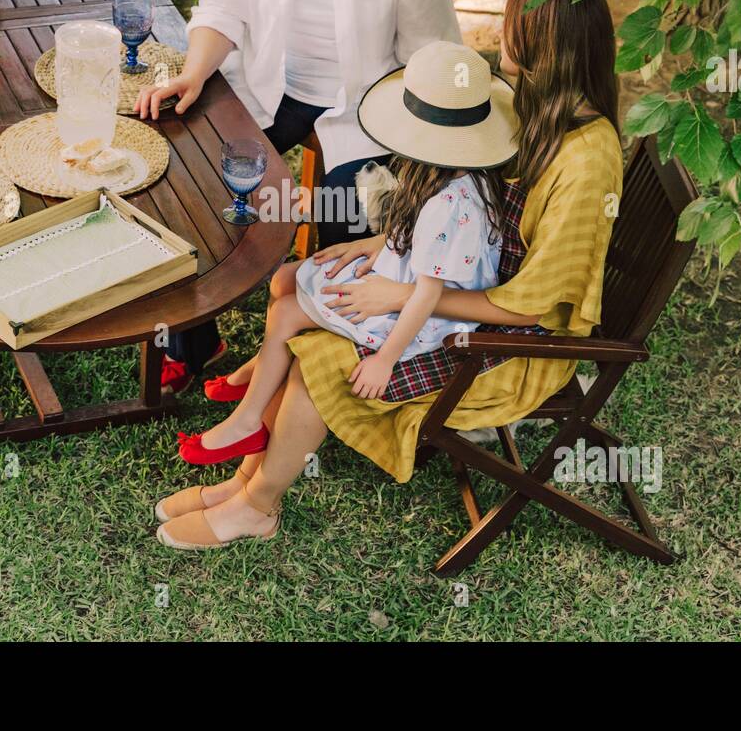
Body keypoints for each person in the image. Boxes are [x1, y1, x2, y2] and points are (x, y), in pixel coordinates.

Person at [151, 0, 624, 551]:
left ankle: (256, 507)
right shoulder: (540, 111)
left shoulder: (587, 160)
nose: (501, 38)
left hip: (514, 342)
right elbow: (461, 210)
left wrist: (399, 295)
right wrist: (383, 246)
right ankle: (243, 481)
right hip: (462, 290)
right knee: (310, 315)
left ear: (543, 49)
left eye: (512, 27)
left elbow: (531, 303)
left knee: (317, 360)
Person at [134, 0, 461, 396]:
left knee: (346, 211)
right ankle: (194, 341)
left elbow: (426, 59)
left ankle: (308, 365)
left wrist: (421, 158)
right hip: (267, 81)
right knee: (197, 174)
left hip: (367, 103)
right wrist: (194, 71)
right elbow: (225, 4)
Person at [173, 41, 515, 470]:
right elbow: (413, 235)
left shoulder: (451, 202)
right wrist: (381, 243)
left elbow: (427, 293)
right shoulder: (439, 170)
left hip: (422, 317)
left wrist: (385, 361)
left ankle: (246, 422)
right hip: (401, 272)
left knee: (286, 314)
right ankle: (262, 369)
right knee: (285, 280)